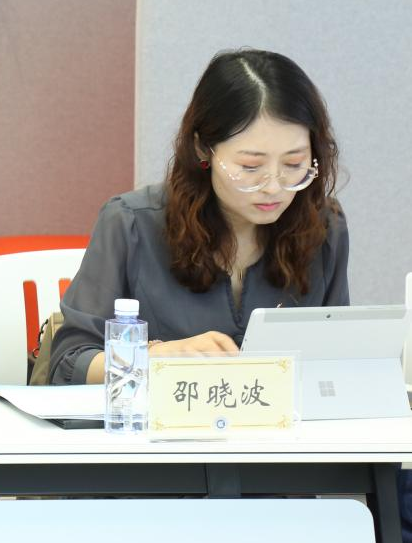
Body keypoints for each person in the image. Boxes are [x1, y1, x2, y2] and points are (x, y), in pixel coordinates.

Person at [49, 48, 348, 386]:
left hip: (279, 421)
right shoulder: (131, 223)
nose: (273, 187)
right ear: (203, 149)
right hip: (158, 420)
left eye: (294, 164)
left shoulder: (323, 227)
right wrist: (156, 358)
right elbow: (68, 364)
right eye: (251, 167)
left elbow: (339, 357)